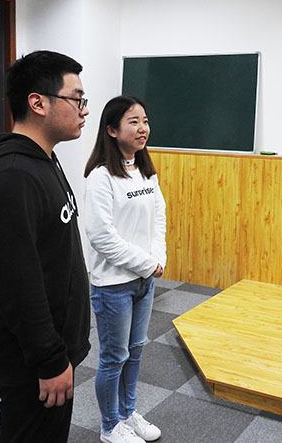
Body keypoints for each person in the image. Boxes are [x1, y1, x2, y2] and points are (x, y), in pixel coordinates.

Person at [0, 50, 91, 442]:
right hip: (33, 359)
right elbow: (17, 283)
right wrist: (49, 360)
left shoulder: (45, 161)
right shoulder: (13, 177)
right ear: (38, 103)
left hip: (55, 347)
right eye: (77, 99)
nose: (85, 110)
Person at [84, 95, 167, 443]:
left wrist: (158, 258)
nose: (142, 128)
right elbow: (102, 238)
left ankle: (128, 413)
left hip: (144, 281)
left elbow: (159, 218)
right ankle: (109, 426)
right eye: (133, 121)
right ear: (112, 130)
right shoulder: (100, 177)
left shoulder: (146, 172)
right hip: (113, 285)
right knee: (114, 357)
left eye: (145, 120)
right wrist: (149, 263)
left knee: (135, 352)